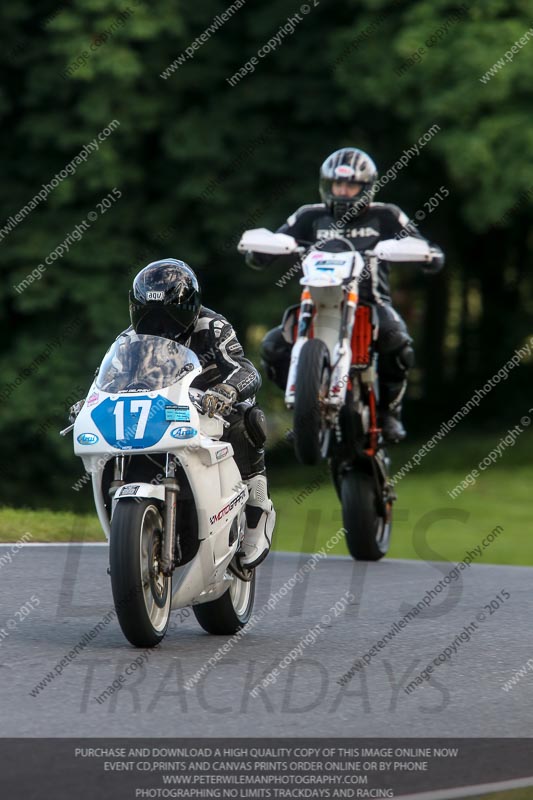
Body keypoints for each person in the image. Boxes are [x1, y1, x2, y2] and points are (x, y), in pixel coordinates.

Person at [73, 259, 275, 568]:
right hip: (156, 410)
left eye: (168, 315)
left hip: (209, 408)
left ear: (190, 306)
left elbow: (245, 370)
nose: (161, 326)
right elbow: (106, 380)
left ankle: (257, 508)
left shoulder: (214, 327)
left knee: (247, 417)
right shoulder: (126, 342)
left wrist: (227, 391)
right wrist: (88, 403)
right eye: (150, 317)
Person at [250, 147, 445, 442]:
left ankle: (389, 412)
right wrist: (261, 252)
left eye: (350, 185)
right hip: (318, 301)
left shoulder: (386, 216)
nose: (342, 192)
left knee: (397, 339)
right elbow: (279, 238)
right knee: (273, 346)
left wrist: (429, 255)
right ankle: (305, 412)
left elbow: (420, 243)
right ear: (326, 186)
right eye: (337, 185)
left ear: (366, 187)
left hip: (370, 301)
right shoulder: (309, 216)